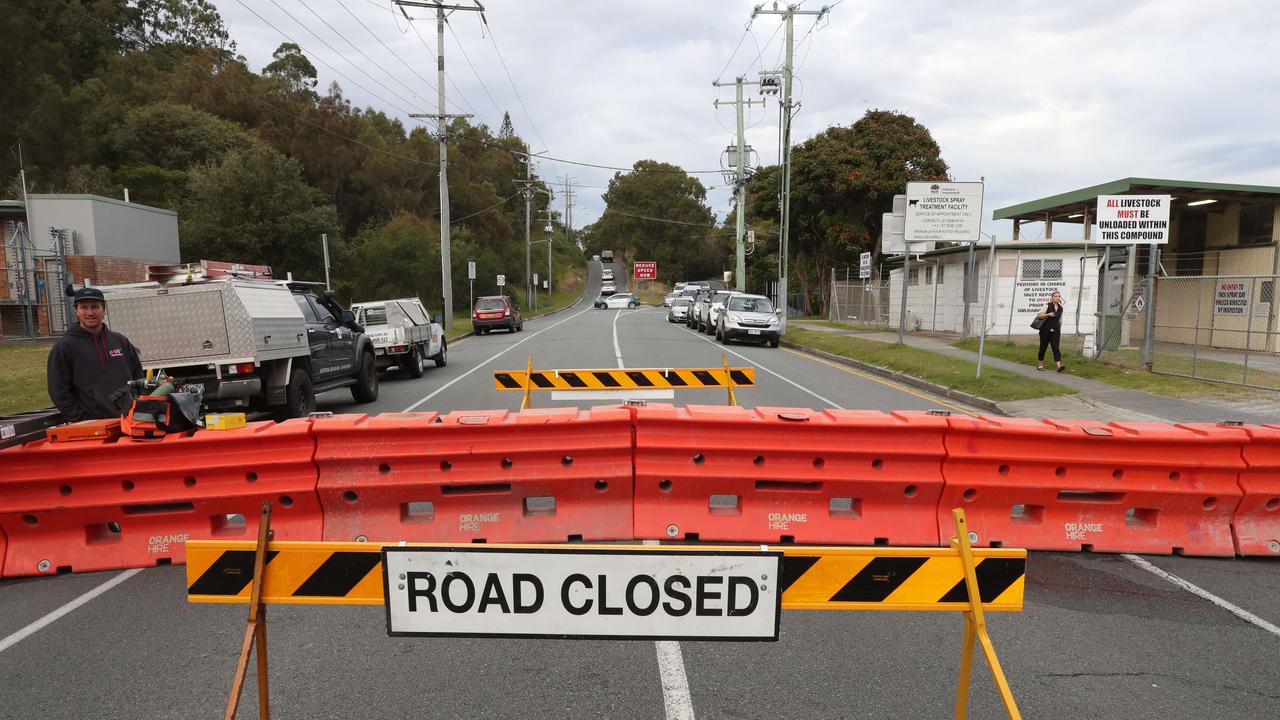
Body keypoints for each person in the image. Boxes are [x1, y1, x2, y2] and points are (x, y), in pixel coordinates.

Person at [47, 286, 143, 421]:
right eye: (84, 307)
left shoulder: (120, 341)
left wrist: (137, 408)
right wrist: (81, 419)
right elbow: (58, 391)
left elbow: (138, 377)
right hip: (93, 425)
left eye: (95, 307)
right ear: (76, 311)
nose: (90, 312)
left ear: (104, 310)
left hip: (129, 419)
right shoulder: (65, 346)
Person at [1035, 290, 1066, 372]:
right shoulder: (1047, 306)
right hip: (1045, 330)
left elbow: (1060, 321)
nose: (1057, 298)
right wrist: (1048, 314)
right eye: (1055, 296)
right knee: (1043, 347)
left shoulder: (1061, 308)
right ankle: (1040, 365)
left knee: (1056, 348)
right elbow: (1038, 316)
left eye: (1059, 296)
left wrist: (1059, 330)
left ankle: (1059, 366)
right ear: (1052, 298)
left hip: (1055, 331)